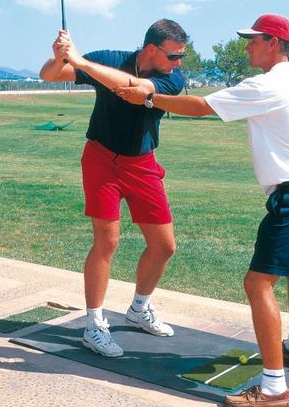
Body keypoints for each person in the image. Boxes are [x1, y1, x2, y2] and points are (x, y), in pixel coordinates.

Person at [116, 14, 289, 407]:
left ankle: (273, 390)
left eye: (253, 40)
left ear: (273, 43)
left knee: (257, 284)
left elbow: (201, 107)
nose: (247, 45)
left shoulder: (267, 84)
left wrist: (149, 98)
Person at [40, 20, 188, 358]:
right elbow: (50, 75)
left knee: (164, 246)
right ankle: (93, 325)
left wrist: (81, 62)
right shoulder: (109, 57)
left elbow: (132, 88)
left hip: (143, 163)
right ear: (152, 49)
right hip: (101, 159)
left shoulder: (172, 79)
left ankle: (139, 308)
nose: (179, 62)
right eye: (174, 55)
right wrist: (60, 55)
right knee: (107, 241)